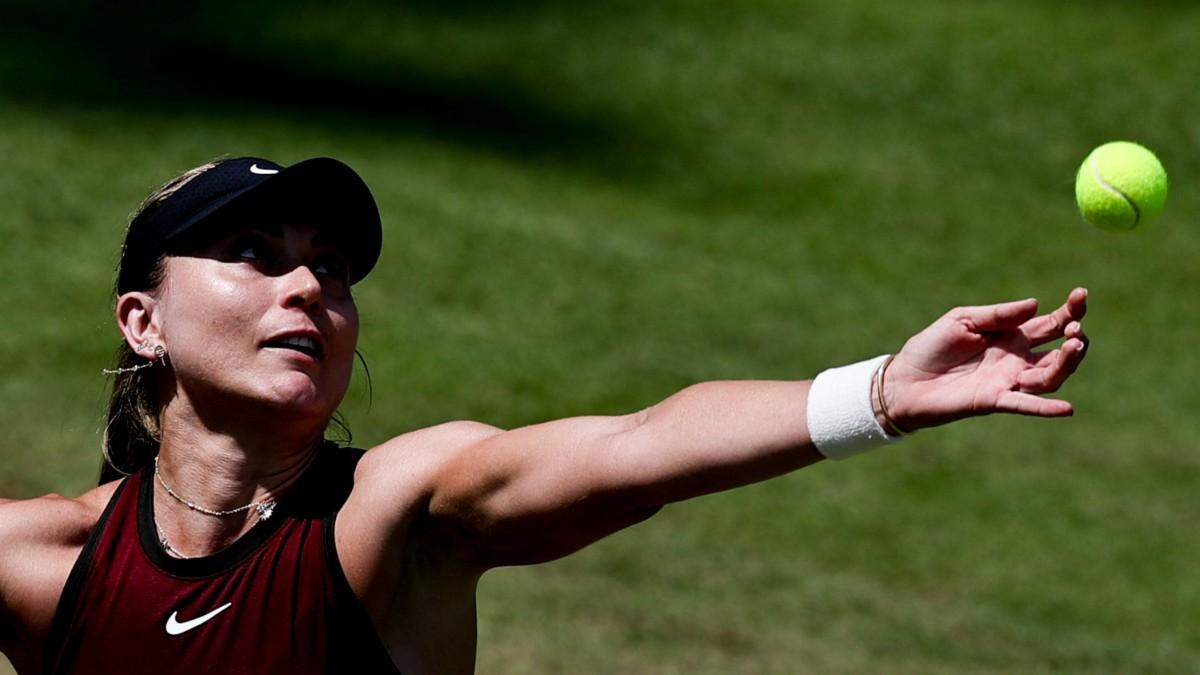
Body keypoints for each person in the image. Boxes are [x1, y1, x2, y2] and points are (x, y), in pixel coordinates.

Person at [0, 156, 1089, 675]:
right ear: (143, 322)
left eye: (330, 268)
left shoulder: (396, 517)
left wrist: (880, 393)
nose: (308, 291)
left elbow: (639, 448)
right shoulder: (38, 563)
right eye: (255, 256)